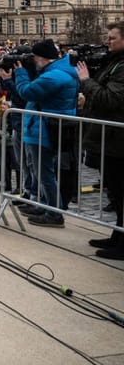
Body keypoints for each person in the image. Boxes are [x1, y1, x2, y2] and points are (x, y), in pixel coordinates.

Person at [13, 39, 78, 228]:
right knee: (39, 170)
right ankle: (44, 205)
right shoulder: (56, 71)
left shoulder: (56, 75)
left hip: (45, 128)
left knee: (45, 172)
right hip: (43, 126)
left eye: (34, 58)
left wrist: (20, 73)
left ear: (42, 58)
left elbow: (28, 92)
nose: (32, 62)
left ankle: (54, 213)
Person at [77, 22, 124, 259]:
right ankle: (118, 234)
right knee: (115, 192)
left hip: (118, 140)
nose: (108, 41)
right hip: (109, 139)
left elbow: (109, 98)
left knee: (121, 190)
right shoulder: (114, 61)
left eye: (112, 38)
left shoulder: (122, 66)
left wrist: (86, 80)